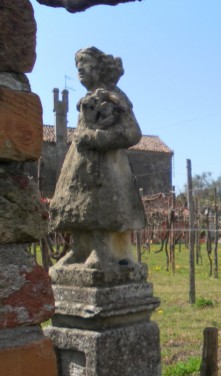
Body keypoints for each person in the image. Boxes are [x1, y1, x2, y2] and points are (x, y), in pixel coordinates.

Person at [50, 46, 145, 270]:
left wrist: (98, 138)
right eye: (77, 65)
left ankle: (102, 251)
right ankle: (78, 250)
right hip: (80, 163)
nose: (80, 69)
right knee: (76, 205)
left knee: (102, 206)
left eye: (85, 63)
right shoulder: (87, 98)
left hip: (106, 166)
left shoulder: (114, 96)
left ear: (99, 68)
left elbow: (133, 132)